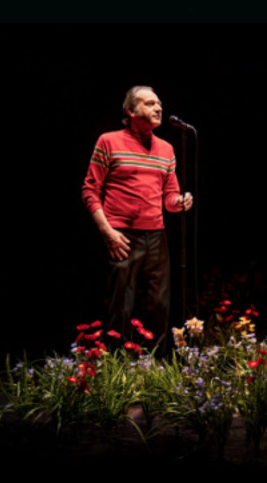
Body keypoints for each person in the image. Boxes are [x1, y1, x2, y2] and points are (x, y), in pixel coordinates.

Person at [81, 85, 193, 355]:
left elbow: (169, 195)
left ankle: (155, 368)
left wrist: (179, 202)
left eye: (159, 103)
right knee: (120, 306)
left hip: (156, 236)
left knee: (160, 306)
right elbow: (89, 190)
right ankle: (113, 369)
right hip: (121, 235)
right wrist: (107, 232)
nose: (158, 108)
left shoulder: (166, 149)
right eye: (150, 103)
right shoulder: (108, 141)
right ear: (131, 110)